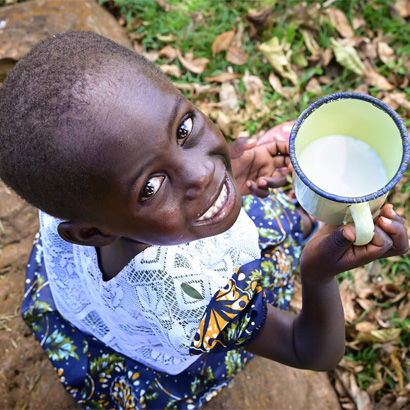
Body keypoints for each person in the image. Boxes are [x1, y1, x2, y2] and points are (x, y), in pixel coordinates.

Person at [0, 31, 407, 409]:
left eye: (184, 128)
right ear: (92, 232)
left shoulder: (74, 186)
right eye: (150, 187)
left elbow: (166, 173)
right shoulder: (198, 299)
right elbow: (310, 351)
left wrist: (236, 165)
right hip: (173, 323)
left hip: (109, 294)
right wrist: (317, 278)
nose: (203, 173)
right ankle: (300, 232)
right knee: (278, 242)